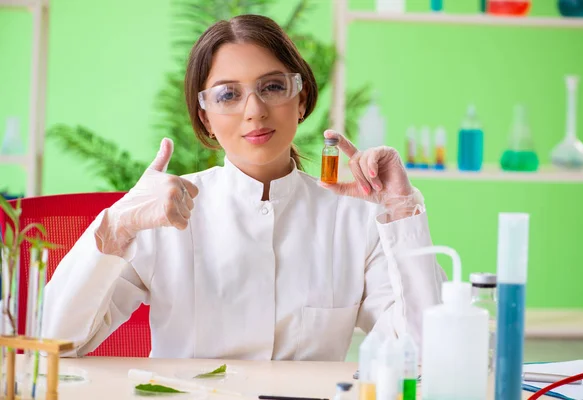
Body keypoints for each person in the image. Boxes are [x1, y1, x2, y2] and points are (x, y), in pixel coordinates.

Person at [42, 14, 446, 360]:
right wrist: (117, 227)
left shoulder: (354, 218)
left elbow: (424, 351)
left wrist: (400, 211)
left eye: (272, 87)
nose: (254, 111)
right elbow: (55, 344)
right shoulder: (164, 214)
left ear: (300, 99)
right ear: (205, 119)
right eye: (228, 95)